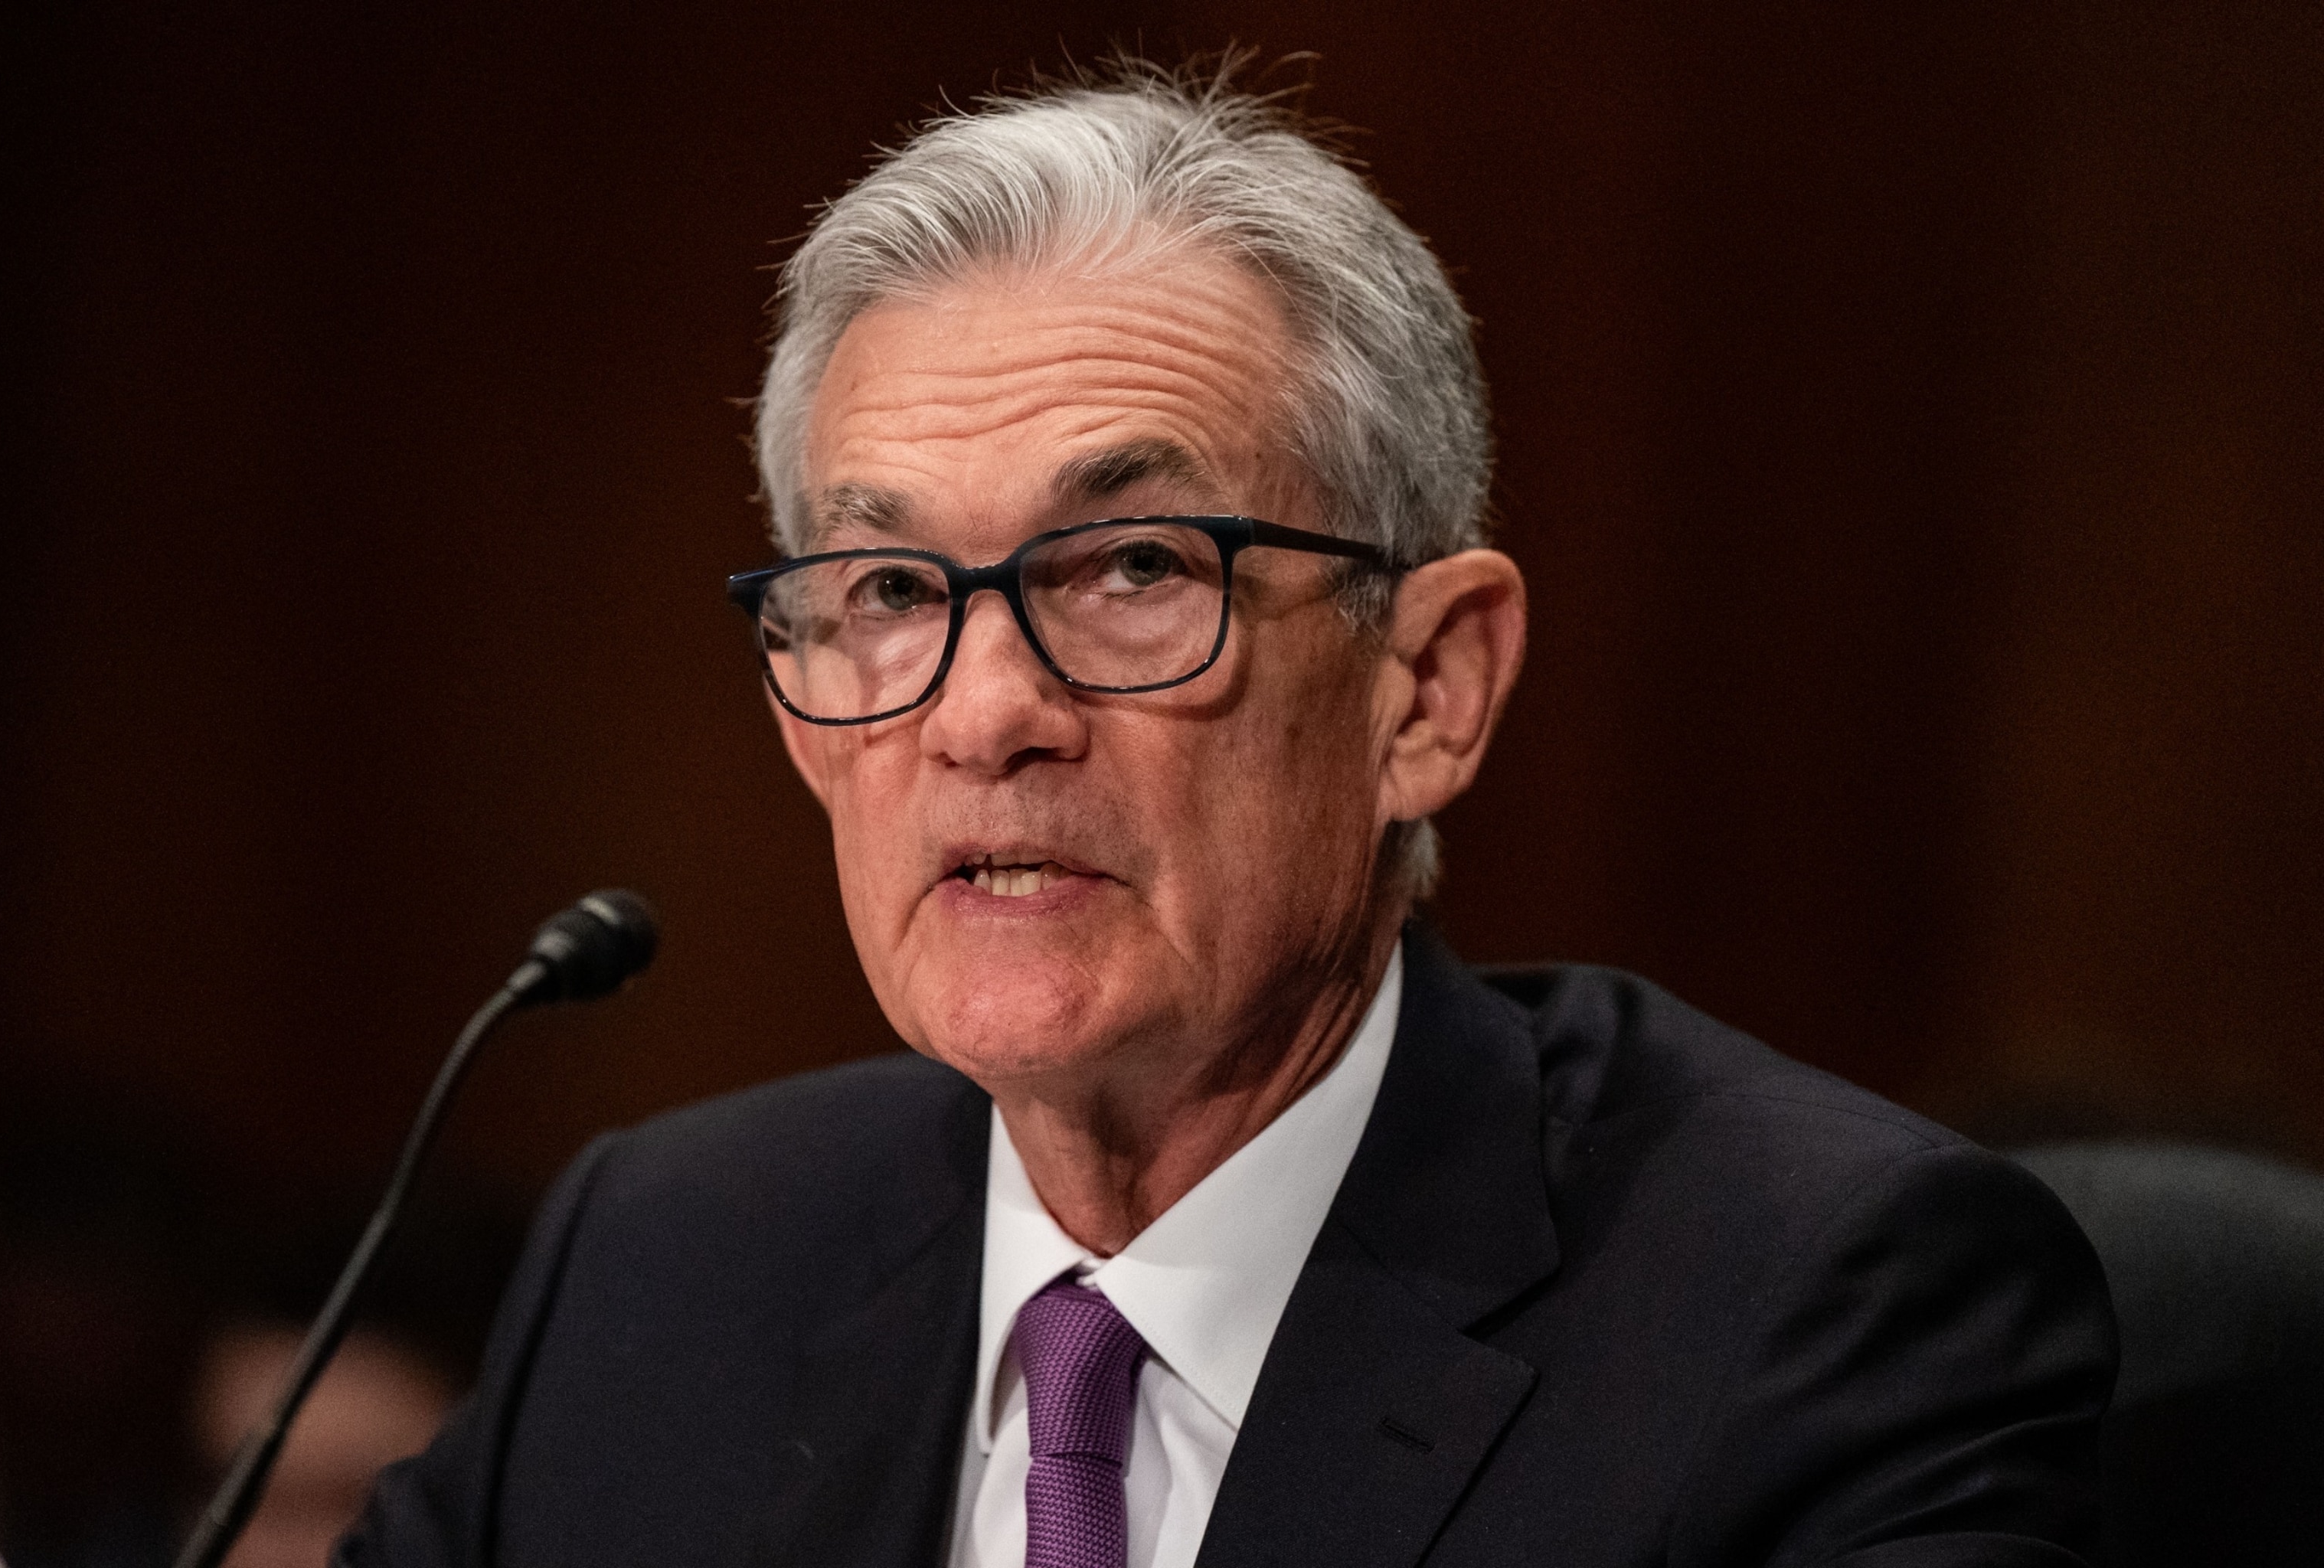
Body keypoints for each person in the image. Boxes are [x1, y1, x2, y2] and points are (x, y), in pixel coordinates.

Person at [338, 60, 2114, 1568]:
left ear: (1428, 686)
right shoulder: (669, 1261)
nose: (982, 713)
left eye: (1130, 566)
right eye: (886, 587)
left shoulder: (1815, 1309)